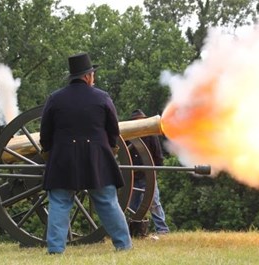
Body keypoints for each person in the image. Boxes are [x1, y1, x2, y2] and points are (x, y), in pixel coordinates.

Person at [40, 52, 132, 254]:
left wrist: (48, 153)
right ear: (88, 76)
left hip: (63, 158)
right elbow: (113, 130)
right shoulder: (102, 97)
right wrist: (109, 149)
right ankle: (123, 246)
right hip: (96, 157)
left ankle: (55, 250)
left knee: (59, 202)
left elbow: (45, 132)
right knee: (108, 201)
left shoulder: (55, 99)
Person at [127, 109, 170, 235]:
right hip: (132, 176)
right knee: (133, 205)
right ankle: (135, 230)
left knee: (154, 203)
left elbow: (158, 155)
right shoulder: (127, 137)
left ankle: (162, 229)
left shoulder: (151, 136)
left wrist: (154, 173)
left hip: (147, 175)